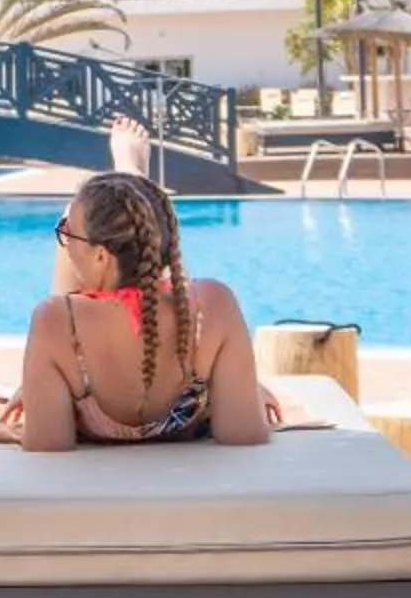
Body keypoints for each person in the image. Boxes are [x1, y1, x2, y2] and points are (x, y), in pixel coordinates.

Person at [19, 129, 271, 450]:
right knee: (132, 236)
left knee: (67, 291)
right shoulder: (214, 303)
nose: (65, 241)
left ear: (99, 255)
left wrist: (38, 386)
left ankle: (127, 179)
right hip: (187, 395)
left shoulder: (57, 321)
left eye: (68, 233)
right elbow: (244, 434)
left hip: (78, 353)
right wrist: (240, 389)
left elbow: (47, 446)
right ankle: (132, 182)